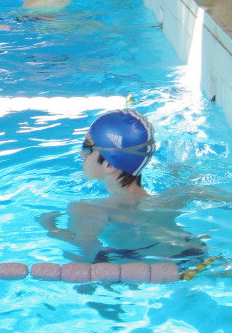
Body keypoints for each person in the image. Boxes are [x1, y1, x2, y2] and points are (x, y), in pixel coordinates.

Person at [38, 109, 208, 266]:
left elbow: (83, 256)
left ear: (111, 165)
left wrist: (51, 228)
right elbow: (196, 191)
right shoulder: (167, 201)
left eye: (87, 147)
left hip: (158, 268)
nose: (81, 153)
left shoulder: (87, 209)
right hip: (195, 252)